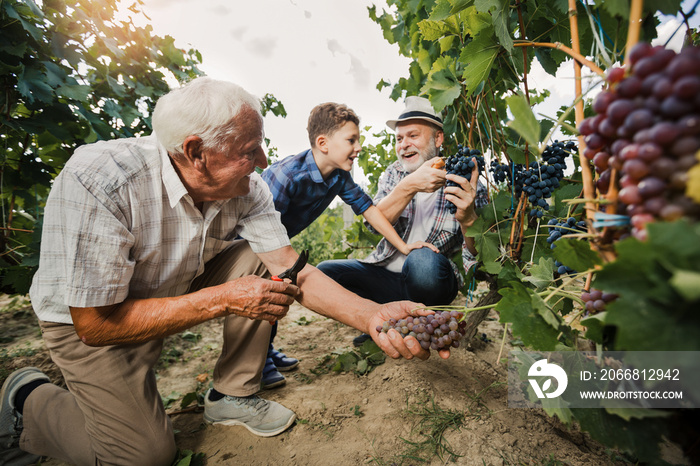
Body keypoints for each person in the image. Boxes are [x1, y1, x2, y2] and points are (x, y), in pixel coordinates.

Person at [0, 78, 444, 466]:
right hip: (93, 323)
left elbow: (292, 269)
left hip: (173, 286)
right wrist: (223, 298)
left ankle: (230, 393)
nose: (263, 158)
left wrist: (372, 315)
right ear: (196, 152)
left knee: (260, 258)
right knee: (144, 456)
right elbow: (94, 324)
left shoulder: (247, 188)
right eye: (249, 150)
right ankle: (27, 399)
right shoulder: (103, 180)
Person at [259, 102, 438, 388]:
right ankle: (260, 360)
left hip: (277, 237)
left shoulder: (340, 176)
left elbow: (369, 209)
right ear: (323, 143)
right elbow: (260, 223)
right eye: (351, 140)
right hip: (254, 238)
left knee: (278, 285)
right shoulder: (287, 175)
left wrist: (404, 247)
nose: (358, 148)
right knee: (267, 285)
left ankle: (265, 350)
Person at [317, 96, 489, 346]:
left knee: (420, 261)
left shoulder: (466, 182)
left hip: (429, 279)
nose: (404, 145)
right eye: (399, 138)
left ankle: (414, 320)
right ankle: (384, 320)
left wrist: (468, 219)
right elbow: (372, 224)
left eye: (413, 136)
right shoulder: (394, 174)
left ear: (438, 139)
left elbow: (476, 260)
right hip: (385, 276)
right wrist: (408, 186)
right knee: (325, 274)